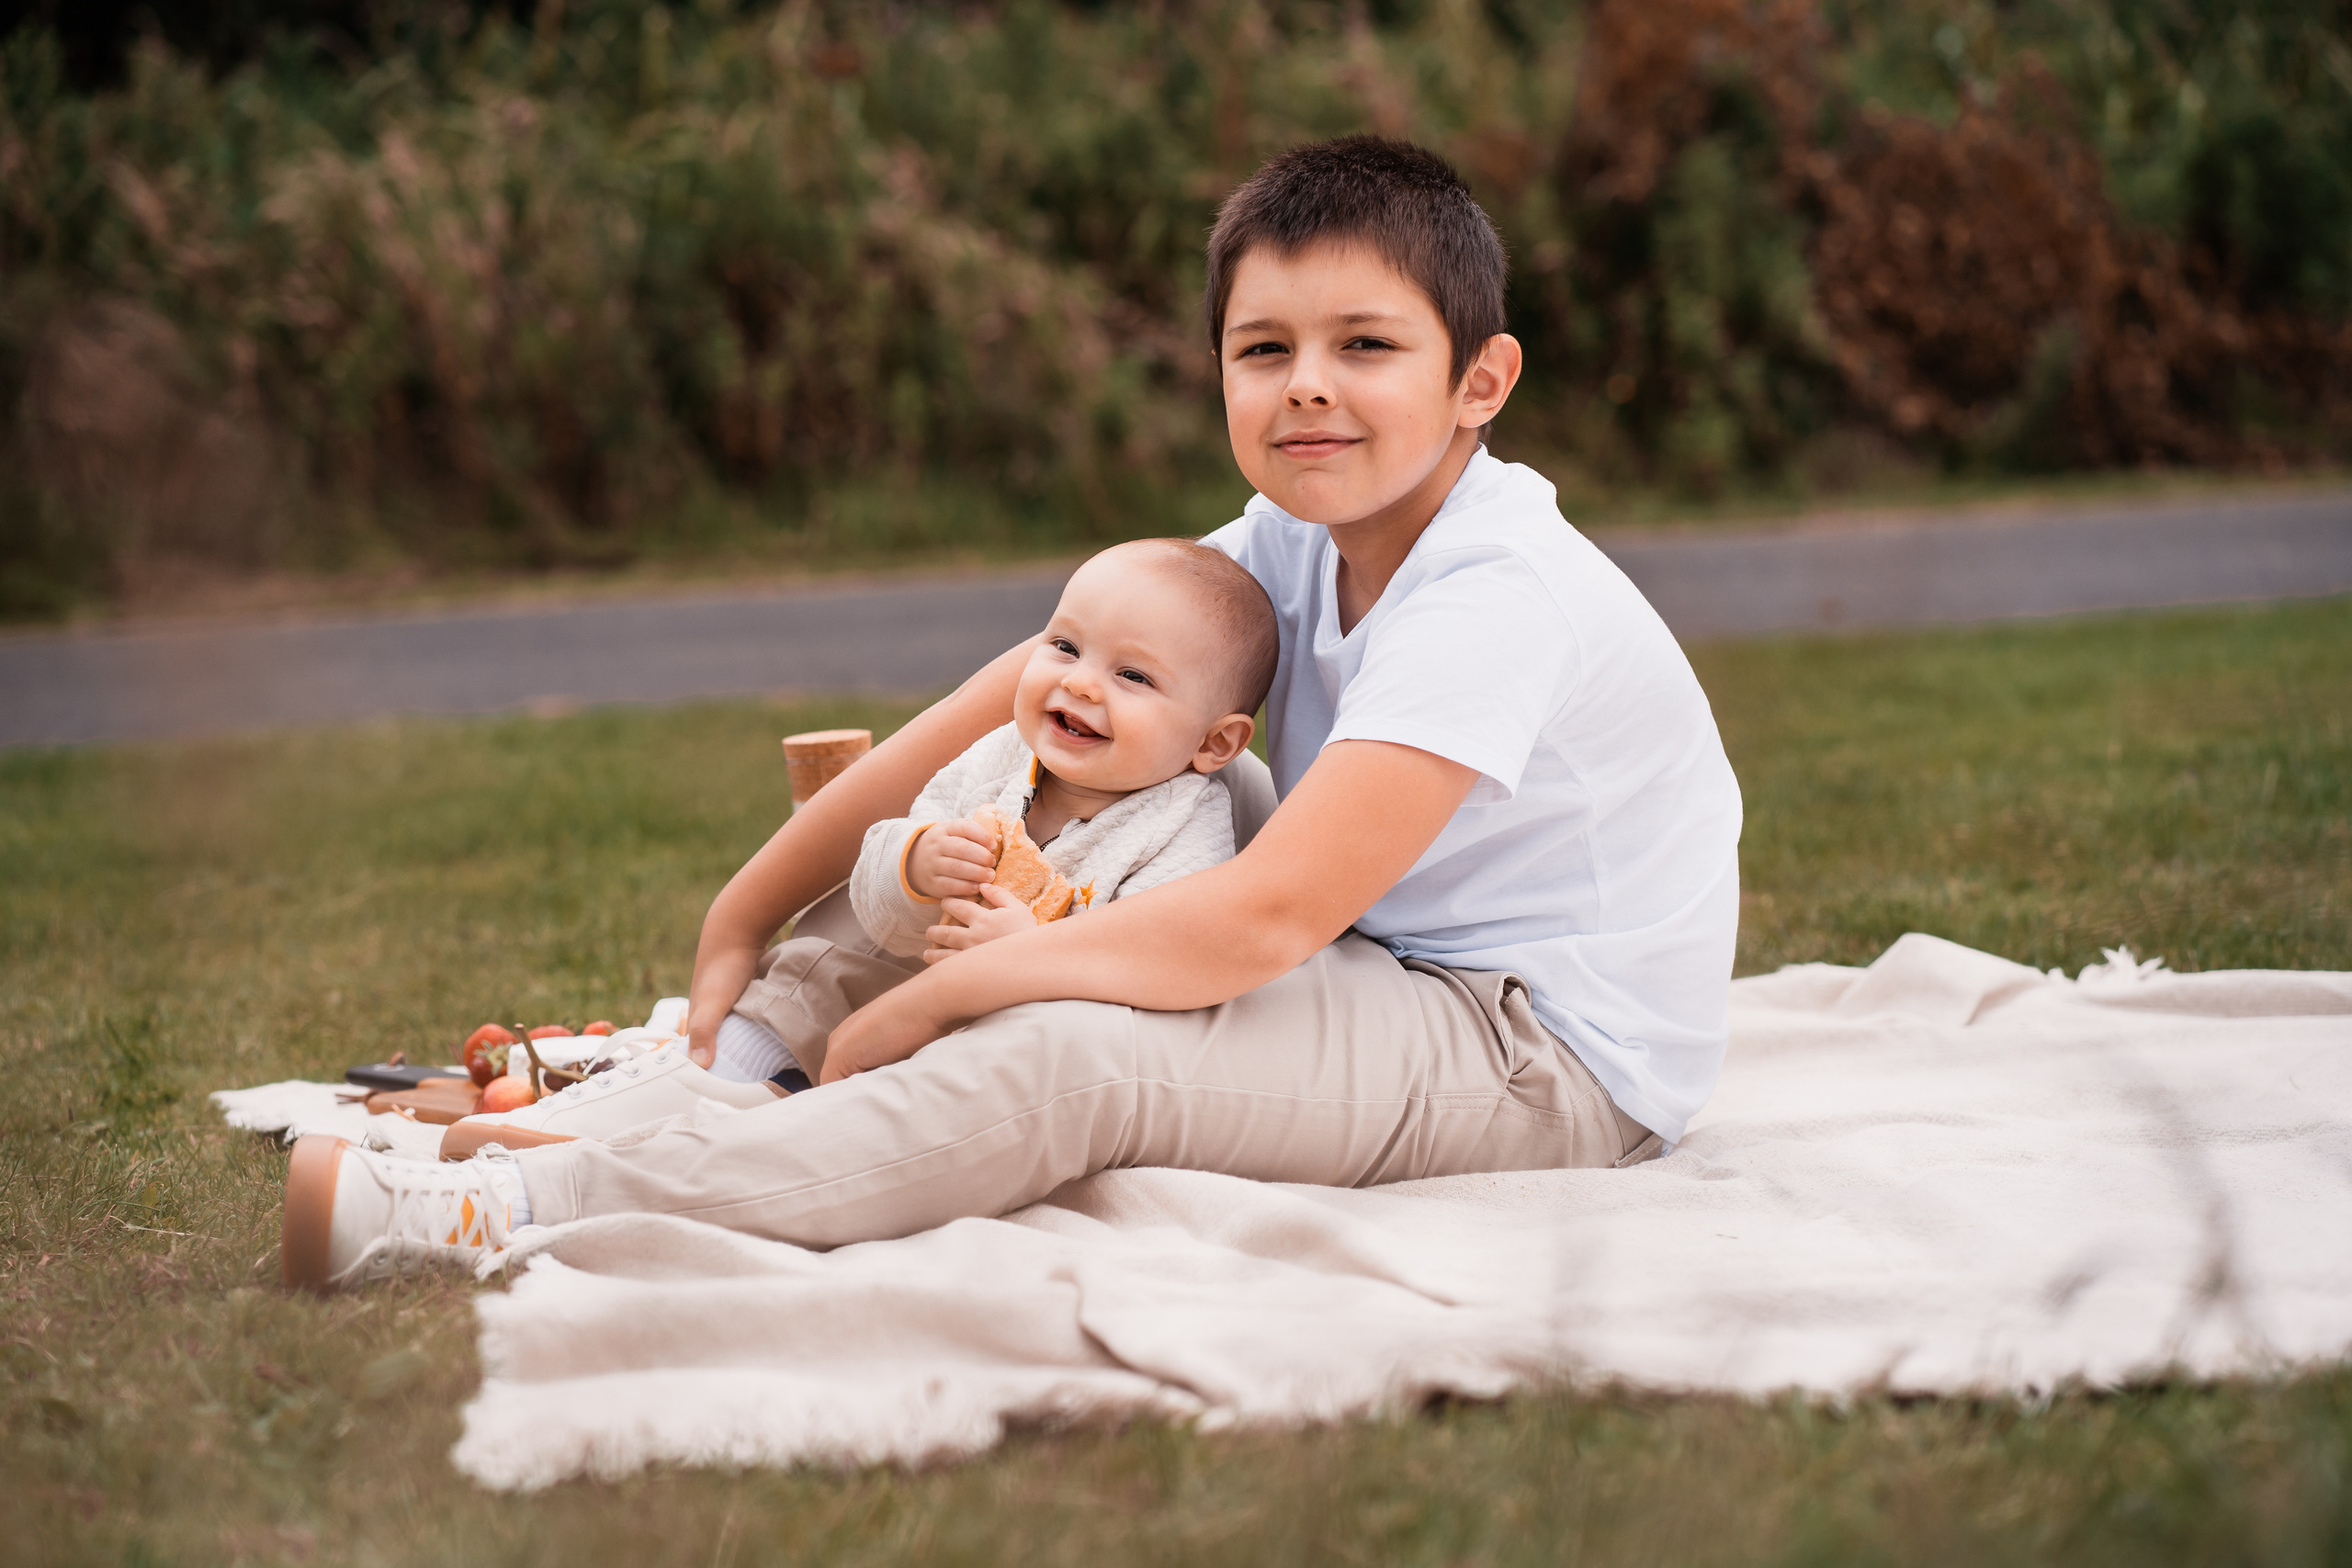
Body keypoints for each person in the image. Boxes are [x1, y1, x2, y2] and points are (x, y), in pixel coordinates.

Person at [277, 134, 1744, 1292]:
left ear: (1480, 380)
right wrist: (743, 913)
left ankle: (512, 1202)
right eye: (1263, 348)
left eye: (1366, 346)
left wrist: (944, 997)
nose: (1308, 389)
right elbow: (1003, 702)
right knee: (985, 819)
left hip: (1538, 1049)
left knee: (1066, 1049)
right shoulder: (1292, 535)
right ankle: (718, 1075)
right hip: (1376, 957)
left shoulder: (1494, 591)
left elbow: (1268, 916)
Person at [424, 538, 1275, 1165]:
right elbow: (881, 895)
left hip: (1009, 1045)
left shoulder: (1182, 826)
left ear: (1215, 742)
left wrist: (1031, 955)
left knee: (937, 1092)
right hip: (895, 986)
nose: (1080, 681)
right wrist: (915, 863)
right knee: (814, 976)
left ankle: (721, 1136)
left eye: (1133, 676)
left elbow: (1152, 965)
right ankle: (687, 1084)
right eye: (1064, 646)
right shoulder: (999, 761)